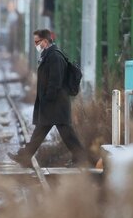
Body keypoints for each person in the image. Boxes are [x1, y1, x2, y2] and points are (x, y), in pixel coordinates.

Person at [8, 29, 91, 167]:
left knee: (66, 133)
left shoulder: (54, 57)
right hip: (53, 103)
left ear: (45, 41)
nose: (36, 45)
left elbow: (55, 81)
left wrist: (47, 99)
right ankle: (26, 156)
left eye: (37, 42)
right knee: (42, 130)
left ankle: (81, 158)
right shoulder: (49, 55)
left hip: (56, 103)